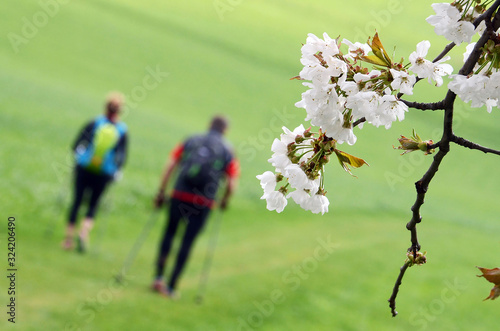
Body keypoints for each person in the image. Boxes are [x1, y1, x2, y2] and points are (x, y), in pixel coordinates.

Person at [152, 115, 239, 298]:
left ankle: (158, 277)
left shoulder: (191, 140)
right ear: (225, 130)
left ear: (209, 125)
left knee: (169, 233)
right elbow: (231, 182)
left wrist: (162, 191)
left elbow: (170, 165)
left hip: (179, 193)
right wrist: (225, 200)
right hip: (204, 201)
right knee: (187, 242)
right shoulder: (227, 149)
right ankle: (172, 285)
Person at [62, 92, 128, 252]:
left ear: (106, 107)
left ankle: (68, 239)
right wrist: (117, 170)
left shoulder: (94, 123)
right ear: (120, 110)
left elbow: (76, 144)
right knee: (94, 203)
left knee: (77, 201)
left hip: (84, 167)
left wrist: (79, 157)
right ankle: (84, 232)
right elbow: (122, 156)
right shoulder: (122, 130)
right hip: (105, 172)